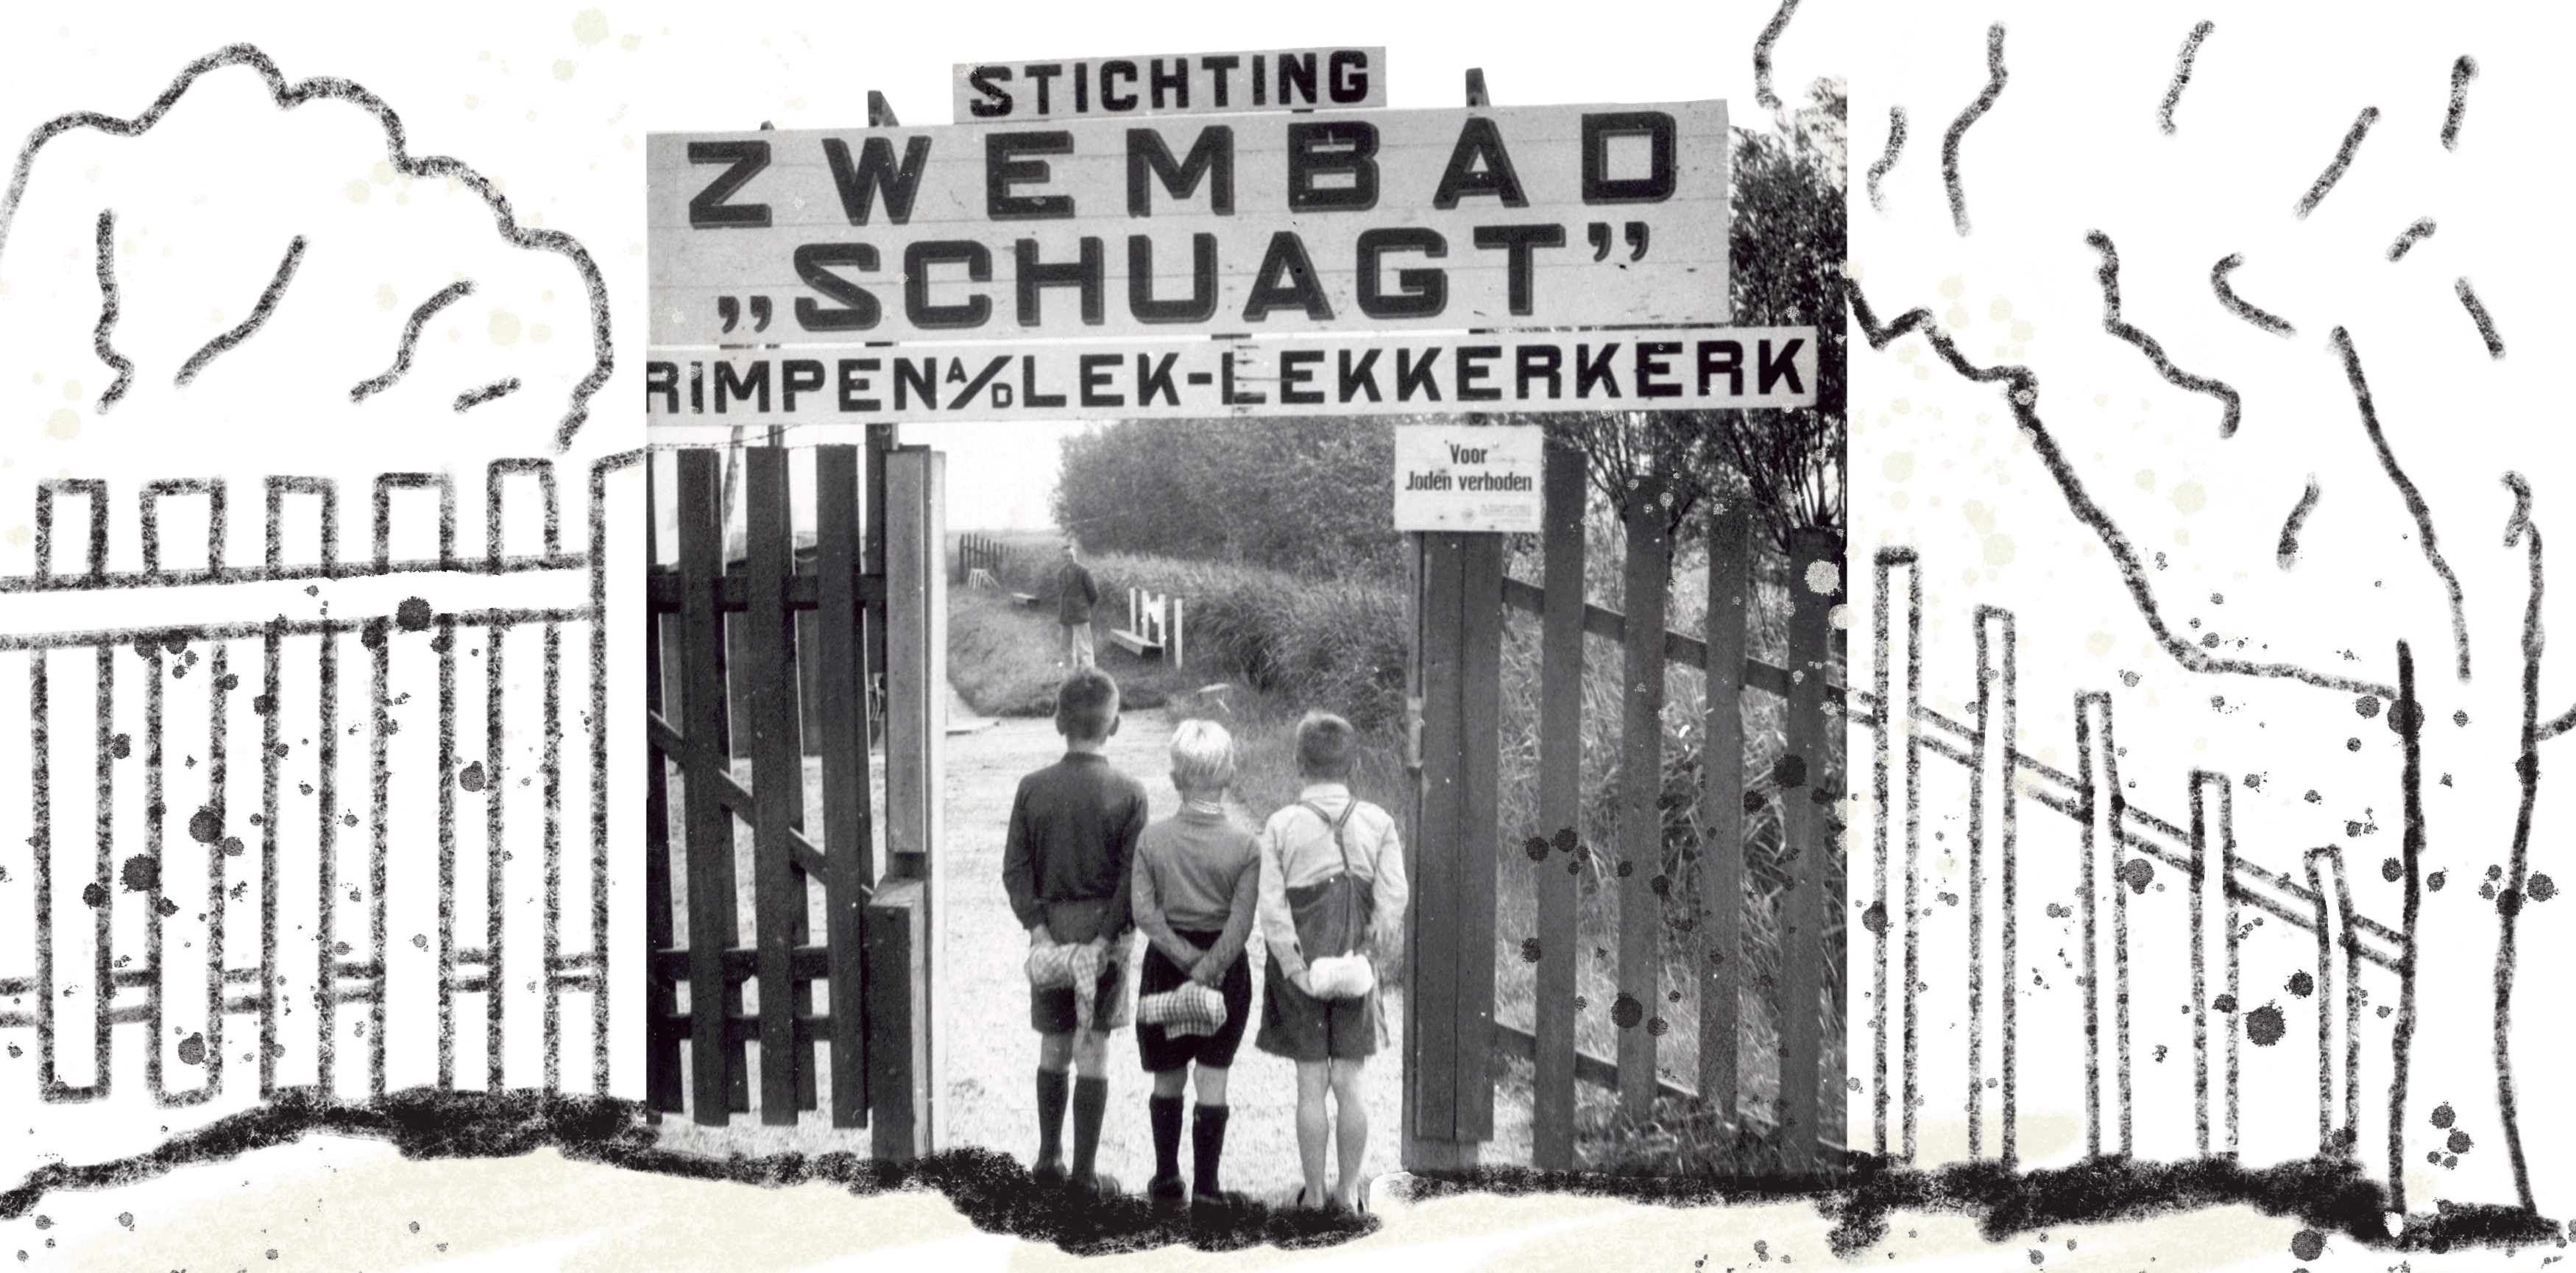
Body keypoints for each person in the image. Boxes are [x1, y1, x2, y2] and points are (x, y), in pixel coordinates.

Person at [1001, 666, 1148, 1199]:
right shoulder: (1130, 792)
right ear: (1116, 724)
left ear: (1057, 721)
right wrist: (1105, 940)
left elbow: (1016, 869)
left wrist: (1038, 930)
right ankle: (1085, 1176)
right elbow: (1132, 880)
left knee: (1053, 1045)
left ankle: (1048, 1159)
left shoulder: (1032, 788)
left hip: (1053, 933)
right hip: (1103, 937)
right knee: (1093, 1049)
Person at [1253, 712, 1409, 1214]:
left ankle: (1314, 1194)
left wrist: (1293, 966)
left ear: (1298, 763)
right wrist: (1371, 950)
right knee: (1350, 1081)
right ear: (1354, 765)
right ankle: (1349, 1192)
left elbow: (1272, 908)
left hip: (1301, 969)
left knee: (1310, 1084)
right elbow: (1394, 897)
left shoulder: (1281, 825)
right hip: (1356, 967)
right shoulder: (1378, 822)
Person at [1130, 719, 1260, 1213]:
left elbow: (1145, 914)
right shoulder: (1245, 847)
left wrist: (1185, 960)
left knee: (1167, 1074)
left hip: (1166, 964)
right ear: (1229, 775)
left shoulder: (1152, 840)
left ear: (1173, 778)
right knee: (1212, 1073)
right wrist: (1208, 968)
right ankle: (1208, 1188)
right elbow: (1241, 924)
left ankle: (1166, 1179)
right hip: (1224, 969)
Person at [1056, 541, 1100, 669]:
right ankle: (1070, 674)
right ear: (1062, 558)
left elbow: (1094, 594)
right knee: (1066, 648)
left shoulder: (1083, 572)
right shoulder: (1061, 573)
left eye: (1071, 556)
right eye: (1066, 556)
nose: (1069, 559)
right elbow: (1063, 593)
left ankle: (1089, 673)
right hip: (1065, 614)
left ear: (1076, 555)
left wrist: (1084, 607)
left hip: (1080, 614)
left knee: (1084, 648)